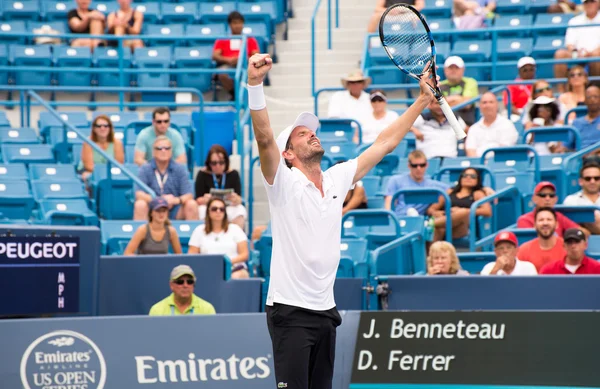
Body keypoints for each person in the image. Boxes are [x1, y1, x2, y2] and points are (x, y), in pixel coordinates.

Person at [247, 52, 435, 389]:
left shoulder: (337, 178)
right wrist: (255, 85)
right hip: (289, 311)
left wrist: (421, 100)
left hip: (325, 310)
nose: (312, 135)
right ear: (287, 153)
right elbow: (263, 138)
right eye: (302, 134)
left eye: (312, 131)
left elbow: (386, 142)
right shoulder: (282, 182)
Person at [134, 136, 198, 221]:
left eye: (167, 148)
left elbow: (189, 195)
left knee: (191, 204)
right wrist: (159, 200)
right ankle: (142, 233)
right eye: (159, 148)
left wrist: (175, 200)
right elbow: (139, 194)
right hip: (153, 209)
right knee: (140, 204)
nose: (163, 151)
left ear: (171, 151)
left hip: (174, 208)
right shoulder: (145, 169)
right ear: (153, 152)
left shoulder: (179, 169)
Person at [188, 198, 250, 278]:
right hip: (207, 269)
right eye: (214, 209)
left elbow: (244, 254)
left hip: (234, 268)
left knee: (235, 276)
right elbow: (192, 255)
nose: (218, 211)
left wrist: (226, 262)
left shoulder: (235, 229)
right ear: (208, 211)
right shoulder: (199, 230)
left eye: (222, 209)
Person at [427, 167, 492, 241]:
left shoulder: (477, 193)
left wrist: (465, 211)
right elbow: (431, 209)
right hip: (445, 226)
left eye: (473, 176)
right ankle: (431, 251)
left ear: (478, 180)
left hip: (464, 228)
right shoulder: (450, 192)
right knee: (439, 229)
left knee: (463, 212)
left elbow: (487, 211)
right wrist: (438, 212)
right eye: (465, 175)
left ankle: (429, 224)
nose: (468, 178)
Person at [384, 150, 449, 217]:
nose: (419, 168)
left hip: (420, 222)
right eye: (414, 166)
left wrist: (432, 209)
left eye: (422, 165)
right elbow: (389, 205)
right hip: (399, 218)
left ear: (426, 165)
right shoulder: (395, 180)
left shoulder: (432, 185)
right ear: (409, 166)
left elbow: (450, 190)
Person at [195, 144, 246, 229]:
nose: (217, 166)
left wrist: (236, 199)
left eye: (221, 162)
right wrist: (205, 199)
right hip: (209, 207)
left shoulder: (233, 174)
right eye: (214, 163)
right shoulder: (202, 174)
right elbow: (198, 199)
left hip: (228, 207)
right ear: (209, 163)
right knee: (201, 210)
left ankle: (236, 238)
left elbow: (239, 198)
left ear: (226, 162)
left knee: (240, 210)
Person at [553, 0, 600, 92]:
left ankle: (596, 89)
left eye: (592, 1)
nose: (589, 4)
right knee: (560, 54)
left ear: (597, 3)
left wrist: (592, 53)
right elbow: (569, 43)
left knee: (596, 55)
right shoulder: (575, 21)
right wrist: (576, 52)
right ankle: (562, 91)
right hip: (577, 54)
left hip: (596, 53)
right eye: (586, 2)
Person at [212, 11, 260, 99]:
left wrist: (243, 59)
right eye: (234, 23)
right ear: (230, 24)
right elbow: (215, 55)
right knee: (222, 73)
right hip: (228, 65)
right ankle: (236, 95)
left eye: (239, 23)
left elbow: (256, 56)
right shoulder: (223, 39)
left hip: (246, 65)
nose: (237, 25)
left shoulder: (250, 40)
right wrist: (228, 60)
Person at [517, 181, 587, 237]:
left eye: (551, 195)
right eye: (543, 195)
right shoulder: (525, 220)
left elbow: (583, 232)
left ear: (556, 199)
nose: (547, 199)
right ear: (534, 198)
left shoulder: (559, 216)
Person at [466, 92, 519, 157]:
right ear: (480, 106)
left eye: (491, 102)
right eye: (484, 102)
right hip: (478, 165)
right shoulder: (473, 128)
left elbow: (504, 151)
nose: (488, 105)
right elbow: (470, 151)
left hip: (500, 164)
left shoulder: (507, 124)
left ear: (497, 105)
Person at [149, 265, 216, 315]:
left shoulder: (207, 309)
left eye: (189, 282)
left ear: (193, 285)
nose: (185, 285)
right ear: (171, 285)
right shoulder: (157, 310)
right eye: (180, 282)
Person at [517, 207, 567, 271]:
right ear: (534, 225)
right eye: (541, 220)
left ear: (556, 224)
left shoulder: (567, 248)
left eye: (549, 219)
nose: (545, 223)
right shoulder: (524, 250)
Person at [78, 115, 125, 181]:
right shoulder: (88, 142)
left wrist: (107, 173)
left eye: (106, 126)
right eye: (99, 126)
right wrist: (102, 173)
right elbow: (89, 165)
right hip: (90, 170)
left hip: (110, 172)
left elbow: (119, 163)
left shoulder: (117, 143)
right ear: (94, 129)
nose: (102, 128)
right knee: (87, 176)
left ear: (110, 128)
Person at [439, 56, 479, 126]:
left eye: (457, 68)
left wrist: (445, 102)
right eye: (450, 67)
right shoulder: (439, 85)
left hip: (466, 125)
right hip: (443, 126)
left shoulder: (470, 82)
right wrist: (459, 98)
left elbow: (467, 104)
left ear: (463, 70)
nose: (453, 70)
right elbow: (435, 106)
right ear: (445, 70)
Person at [563, 162, 600, 234]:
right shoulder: (571, 200)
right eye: (588, 178)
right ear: (580, 181)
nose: (592, 181)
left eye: (597, 178)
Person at [568, 86, 600, 150]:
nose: (592, 99)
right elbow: (567, 145)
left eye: (595, 97)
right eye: (589, 97)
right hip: (578, 157)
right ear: (585, 100)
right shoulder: (576, 123)